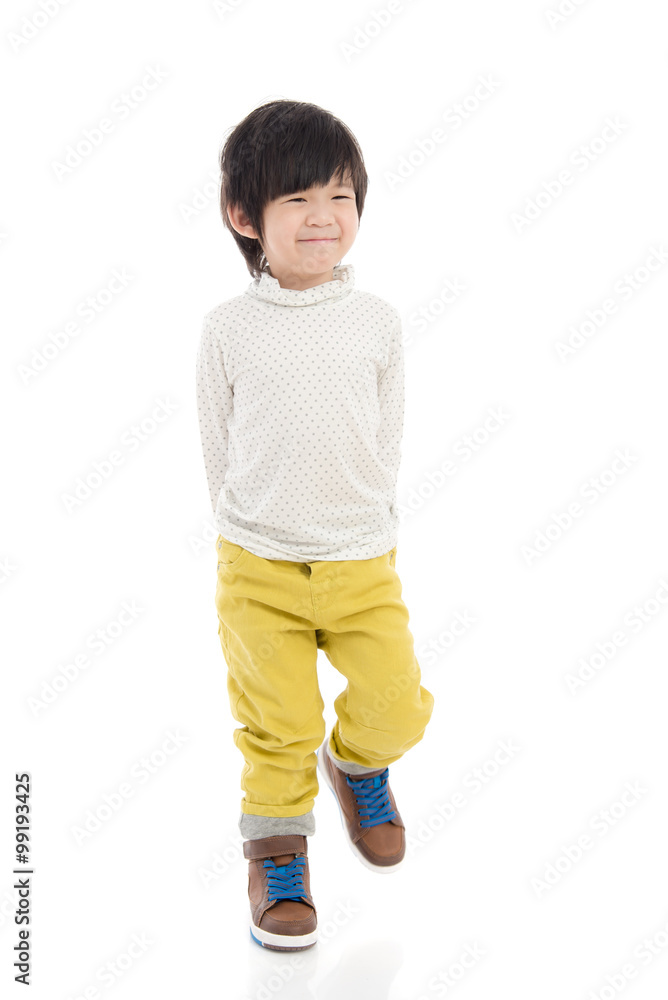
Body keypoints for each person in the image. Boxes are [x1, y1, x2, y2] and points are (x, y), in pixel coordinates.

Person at [195, 99, 434, 952]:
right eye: (295, 200)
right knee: (280, 721)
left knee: (396, 703)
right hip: (259, 563)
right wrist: (250, 536)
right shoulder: (228, 331)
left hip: (361, 556)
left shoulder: (378, 323)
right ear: (244, 217)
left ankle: (360, 764)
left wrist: (362, 521)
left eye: (339, 195)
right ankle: (278, 847)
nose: (322, 217)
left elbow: (388, 433)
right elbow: (218, 450)